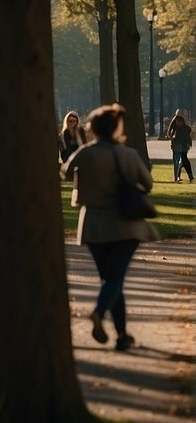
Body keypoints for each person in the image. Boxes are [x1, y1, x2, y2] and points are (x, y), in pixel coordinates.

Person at [62, 103, 159, 351]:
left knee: (110, 279)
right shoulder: (128, 154)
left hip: (93, 225)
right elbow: (147, 184)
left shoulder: (85, 153)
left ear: (93, 128)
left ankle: (122, 335)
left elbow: (65, 172)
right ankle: (99, 313)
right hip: (126, 226)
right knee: (115, 279)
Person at [166, 110, 193, 182]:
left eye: (180, 119)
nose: (179, 121)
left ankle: (179, 176)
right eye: (178, 119)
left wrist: (188, 143)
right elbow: (169, 133)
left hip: (183, 146)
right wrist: (172, 137)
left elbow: (189, 132)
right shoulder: (174, 124)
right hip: (176, 145)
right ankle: (176, 177)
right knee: (176, 161)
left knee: (182, 161)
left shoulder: (185, 127)